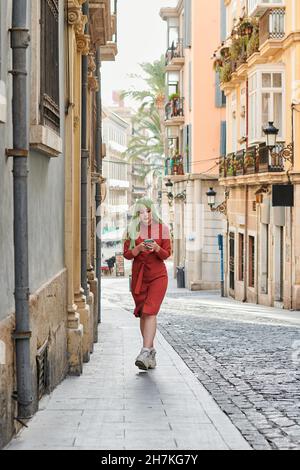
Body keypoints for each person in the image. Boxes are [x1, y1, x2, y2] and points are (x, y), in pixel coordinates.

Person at [122, 197, 172, 371]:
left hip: (158, 276)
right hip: (139, 278)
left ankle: (144, 351)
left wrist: (157, 249)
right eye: (141, 212)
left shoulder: (163, 229)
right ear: (137, 215)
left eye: (148, 211)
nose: (146, 215)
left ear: (153, 211)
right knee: (144, 314)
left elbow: (167, 255)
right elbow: (127, 254)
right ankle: (150, 351)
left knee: (150, 311)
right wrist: (139, 248)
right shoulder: (132, 230)